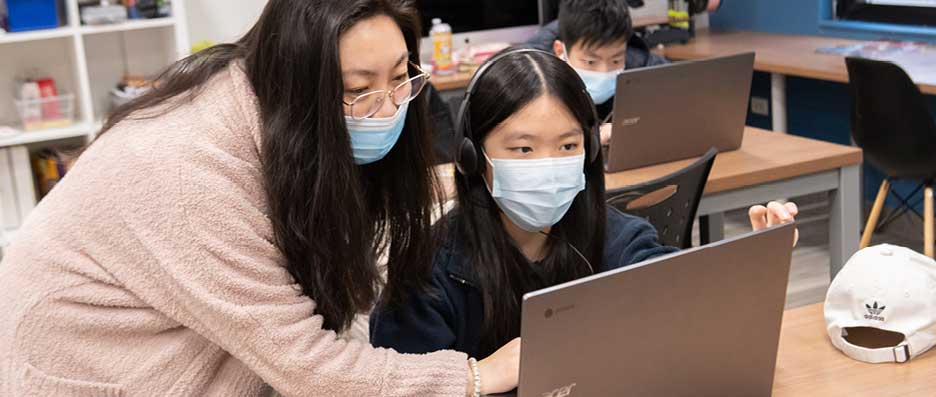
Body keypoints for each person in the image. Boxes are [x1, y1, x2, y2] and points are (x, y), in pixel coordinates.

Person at [0, 1, 519, 396]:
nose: (387, 108)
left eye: (400, 75)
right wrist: (477, 376)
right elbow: (306, 364)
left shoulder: (273, 111)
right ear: (299, 82)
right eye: (359, 89)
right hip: (89, 367)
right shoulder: (193, 177)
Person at [369, 49, 798, 359]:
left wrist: (750, 268)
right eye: (523, 149)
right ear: (471, 157)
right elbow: (403, 383)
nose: (549, 165)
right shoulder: (428, 274)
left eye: (568, 145)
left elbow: (684, 308)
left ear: (590, 150)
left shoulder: (618, 238)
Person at [526, 0, 668, 144]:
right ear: (560, 51)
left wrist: (630, 128)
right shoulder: (528, 73)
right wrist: (588, 138)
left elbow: (679, 98)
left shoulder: (640, 62)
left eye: (616, 60)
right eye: (591, 62)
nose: (604, 72)